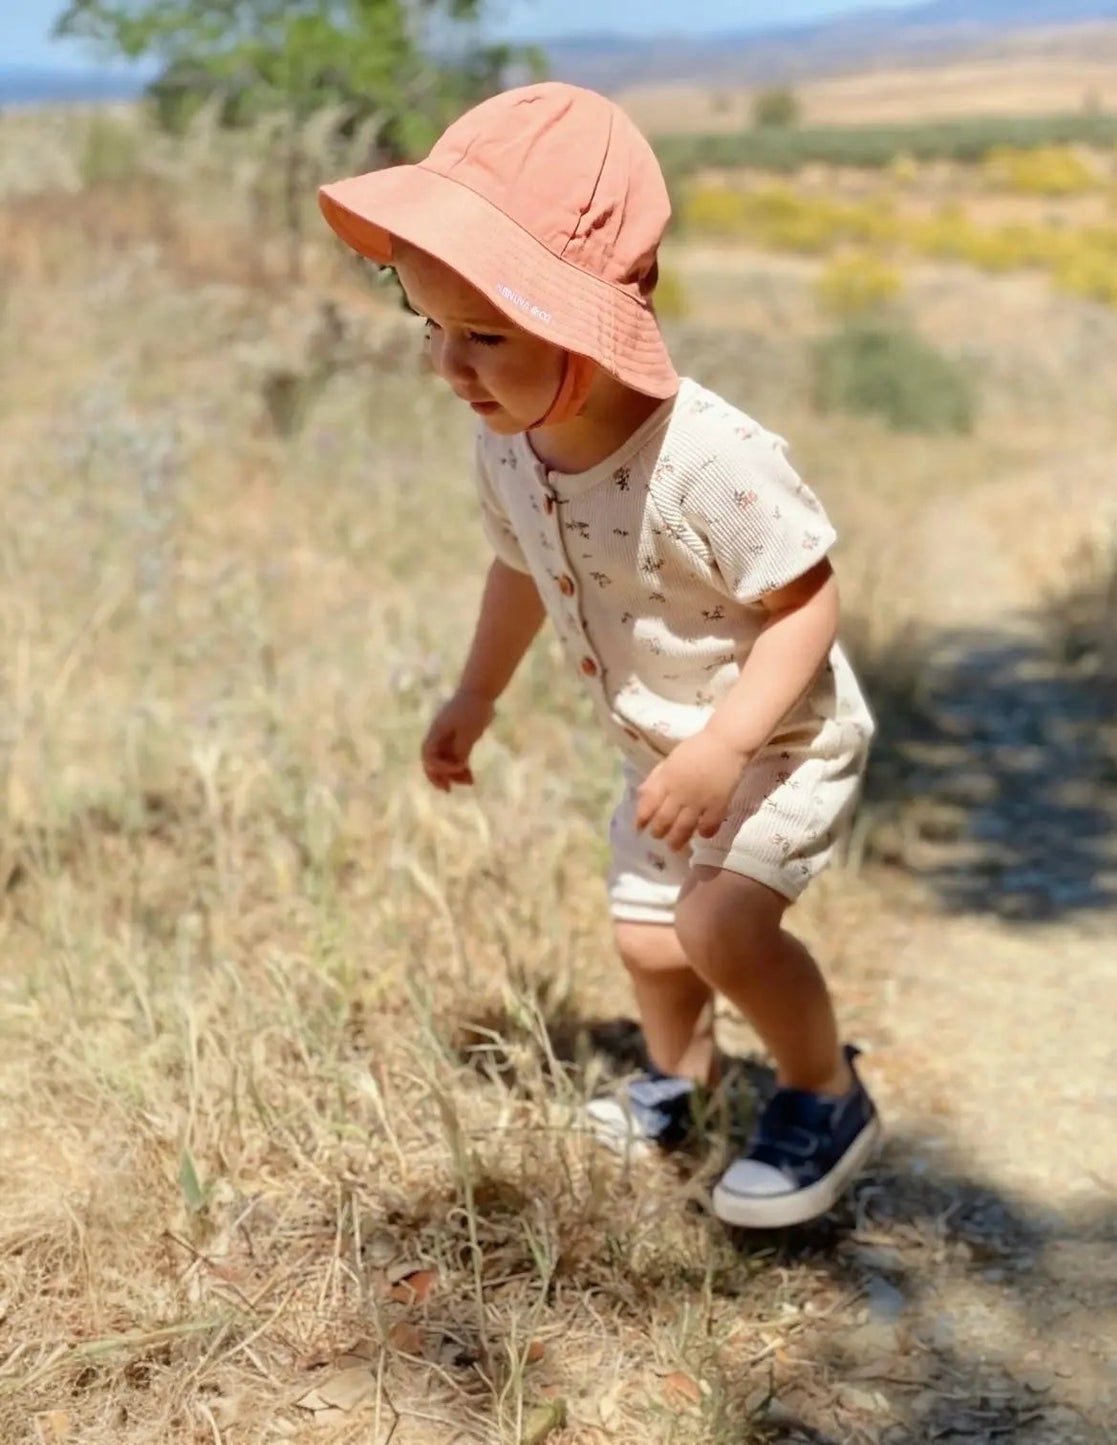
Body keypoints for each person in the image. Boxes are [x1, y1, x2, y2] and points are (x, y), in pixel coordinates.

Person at [317, 81, 880, 1229]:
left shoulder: (709, 458)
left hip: (773, 739)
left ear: (587, 323)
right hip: (660, 745)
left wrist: (726, 745)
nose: (449, 367)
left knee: (716, 927)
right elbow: (518, 568)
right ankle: (686, 1079)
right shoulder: (513, 444)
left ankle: (827, 1093)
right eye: (429, 327)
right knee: (644, 936)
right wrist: (473, 692)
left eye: (485, 336)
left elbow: (806, 604)